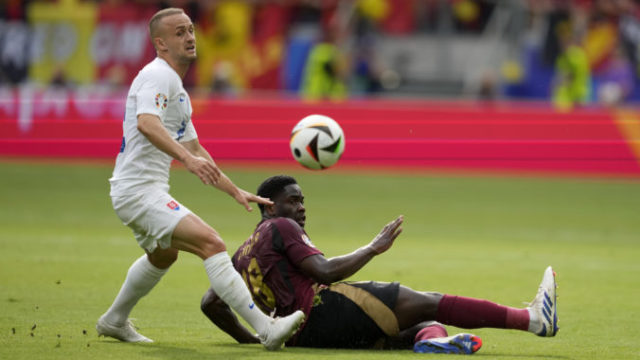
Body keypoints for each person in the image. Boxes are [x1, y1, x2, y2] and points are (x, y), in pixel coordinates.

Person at [96, 8, 304, 350]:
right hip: (138, 192)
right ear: (160, 44)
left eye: (191, 30)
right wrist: (185, 159)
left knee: (163, 257)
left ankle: (114, 320)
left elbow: (195, 148)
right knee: (211, 242)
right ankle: (266, 329)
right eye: (179, 33)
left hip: (140, 190)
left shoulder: (177, 89)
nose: (190, 37)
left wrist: (234, 190)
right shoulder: (157, 75)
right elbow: (147, 124)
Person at [200, 175, 559, 354]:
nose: (301, 208)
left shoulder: (241, 255)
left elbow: (211, 303)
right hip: (323, 309)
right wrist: (373, 247)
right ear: (269, 206)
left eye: (303, 201)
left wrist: (255, 337)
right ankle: (531, 320)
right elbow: (324, 272)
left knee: (420, 323)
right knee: (426, 300)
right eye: (293, 201)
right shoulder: (281, 226)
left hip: (301, 335)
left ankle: (433, 345)